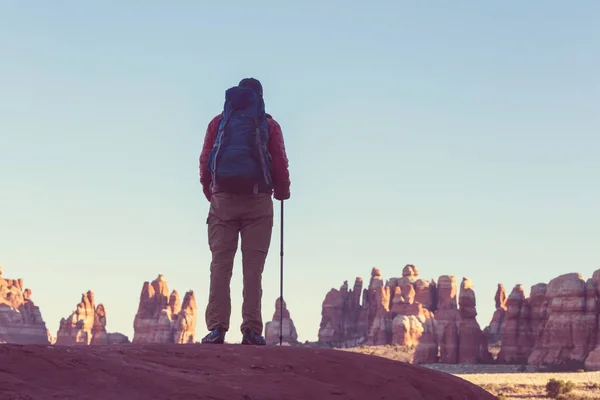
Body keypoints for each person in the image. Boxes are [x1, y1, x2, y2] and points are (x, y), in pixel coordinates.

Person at [198, 78, 291, 345]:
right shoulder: (268, 125)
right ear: (260, 98)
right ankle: (251, 330)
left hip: (222, 200)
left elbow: (205, 160)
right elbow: (280, 161)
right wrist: (282, 191)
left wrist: (212, 193)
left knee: (220, 265)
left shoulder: (219, 123)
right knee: (253, 269)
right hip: (258, 200)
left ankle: (217, 328)